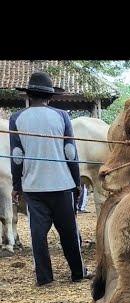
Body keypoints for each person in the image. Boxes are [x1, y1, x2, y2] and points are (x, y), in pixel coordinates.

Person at [9, 71, 92, 286]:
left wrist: (17, 185)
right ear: (50, 97)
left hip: (33, 187)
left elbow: (16, 157)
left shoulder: (16, 118)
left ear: (29, 95)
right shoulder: (62, 116)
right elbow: (70, 153)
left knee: (38, 236)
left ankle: (44, 278)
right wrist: (76, 183)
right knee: (70, 233)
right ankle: (78, 273)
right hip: (62, 184)